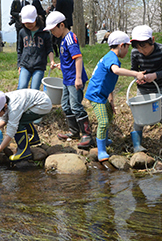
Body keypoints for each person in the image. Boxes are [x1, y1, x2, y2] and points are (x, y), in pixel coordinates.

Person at [84, 31, 145, 162]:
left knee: (109, 115)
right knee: (104, 121)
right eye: (127, 47)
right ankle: (101, 150)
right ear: (121, 46)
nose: (128, 51)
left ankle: (104, 140)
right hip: (96, 95)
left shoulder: (112, 57)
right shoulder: (112, 58)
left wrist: (111, 99)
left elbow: (109, 79)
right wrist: (136, 74)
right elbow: (116, 71)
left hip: (103, 94)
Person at [45, 11, 94, 149]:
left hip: (74, 80)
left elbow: (78, 58)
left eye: (53, 29)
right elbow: (69, 59)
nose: (52, 32)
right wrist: (61, 65)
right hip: (67, 79)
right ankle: (74, 131)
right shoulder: (62, 39)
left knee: (76, 106)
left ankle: (87, 135)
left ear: (61, 25)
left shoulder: (70, 39)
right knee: (66, 106)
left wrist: (78, 78)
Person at [131, 25, 162, 153]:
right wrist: (137, 77)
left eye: (144, 47)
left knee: (161, 113)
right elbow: (134, 70)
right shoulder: (135, 52)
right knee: (139, 114)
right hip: (143, 87)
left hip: (160, 86)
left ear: (152, 40)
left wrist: (155, 75)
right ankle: (137, 145)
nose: (142, 51)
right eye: (138, 47)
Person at [0, 89, 52, 162]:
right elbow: (4, 120)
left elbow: (10, 133)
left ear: (5, 106)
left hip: (43, 104)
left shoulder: (14, 108)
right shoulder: (1, 100)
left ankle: (24, 152)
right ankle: (33, 138)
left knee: (19, 122)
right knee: (21, 118)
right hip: (36, 101)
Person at [17, 5, 54, 90]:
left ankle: (33, 103)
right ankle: (21, 103)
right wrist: (19, 65)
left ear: (36, 19)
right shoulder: (22, 32)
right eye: (26, 23)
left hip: (39, 66)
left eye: (31, 22)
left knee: (34, 89)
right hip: (25, 65)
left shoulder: (45, 33)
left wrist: (52, 61)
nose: (29, 25)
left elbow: (49, 49)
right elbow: (19, 50)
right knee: (22, 87)